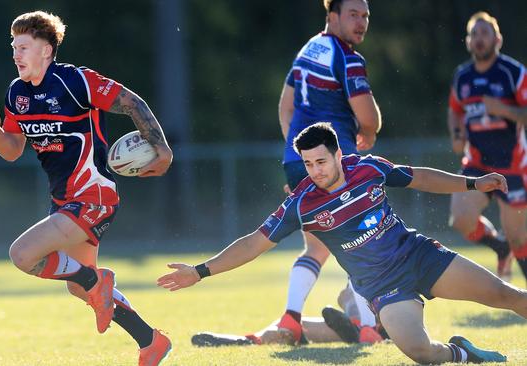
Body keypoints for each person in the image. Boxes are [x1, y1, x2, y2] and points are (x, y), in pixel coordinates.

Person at [158, 123, 526, 363]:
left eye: (321, 160)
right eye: (308, 164)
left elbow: (420, 178)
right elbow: (254, 242)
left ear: (337, 154)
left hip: (420, 257)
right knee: (420, 351)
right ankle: (463, 354)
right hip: (384, 289)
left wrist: (473, 183)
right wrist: (200, 271)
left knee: (505, 295)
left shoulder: (368, 168)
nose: (315, 170)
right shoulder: (302, 203)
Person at [0, 11, 173, 366]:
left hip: (94, 196)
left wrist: (160, 147)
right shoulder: (17, 94)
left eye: (23, 46)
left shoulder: (75, 80)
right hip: (65, 203)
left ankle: (97, 282)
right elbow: (12, 150)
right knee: (79, 285)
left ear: (47, 51)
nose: (16, 54)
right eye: (14, 47)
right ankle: (150, 341)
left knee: (22, 255)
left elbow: (133, 103)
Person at [276, 0, 383, 342]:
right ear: (332, 15)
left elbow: (285, 106)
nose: (361, 22)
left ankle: (291, 318)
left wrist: (301, 158)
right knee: (363, 244)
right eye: (353, 14)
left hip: (298, 163)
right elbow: (368, 118)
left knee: (317, 249)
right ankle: (368, 328)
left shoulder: (308, 49)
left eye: (365, 15)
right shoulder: (348, 58)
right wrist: (370, 129)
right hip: (339, 166)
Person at [448, 11, 527, 283]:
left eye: (485, 33)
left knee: (519, 238)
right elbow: (455, 110)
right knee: (460, 219)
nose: (479, 39)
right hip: (477, 163)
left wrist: (502, 109)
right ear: (468, 41)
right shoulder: (462, 76)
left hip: (513, 165)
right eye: (474, 34)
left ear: (498, 39)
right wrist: (457, 134)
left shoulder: (513, 72)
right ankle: (499, 246)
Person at [190, 286, 387, 347]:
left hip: (389, 326)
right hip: (368, 324)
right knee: (292, 326)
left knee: (348, 297)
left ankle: (362, 329)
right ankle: (251, 340)